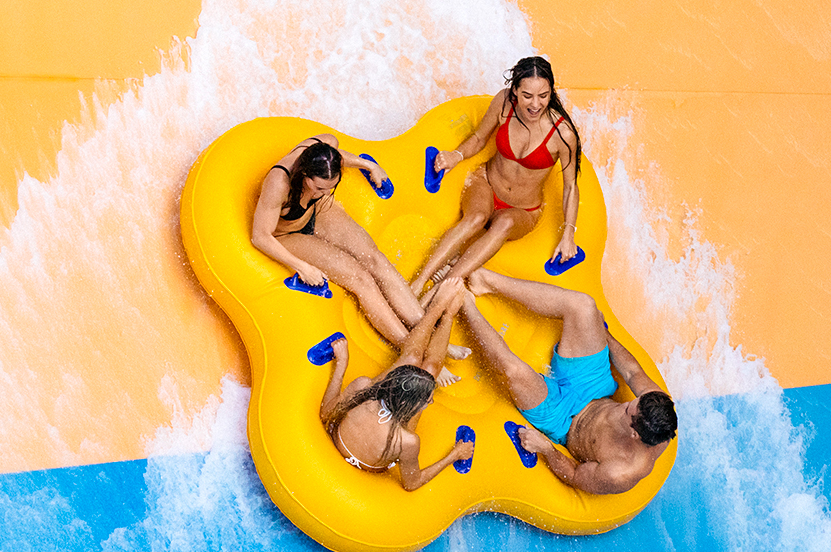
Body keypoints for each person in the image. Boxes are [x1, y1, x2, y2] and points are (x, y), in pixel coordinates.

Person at [250, 133, 468, 383]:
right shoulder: (280, 182)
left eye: (330, 186)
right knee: (360, 278)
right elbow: (261, 236)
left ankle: (427, 332)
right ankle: (414, 349)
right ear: (305, 174)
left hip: (317, 213)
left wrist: (369, 165)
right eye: (319, 187)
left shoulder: (322, 150)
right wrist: (302, 267)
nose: (324, 191)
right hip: (288, 233)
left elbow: (337, 157)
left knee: (376, 259)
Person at [458, 268, 676, 495]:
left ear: (634, 434)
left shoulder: (620, 471)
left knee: (515, 372)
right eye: (633, 401)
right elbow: (632, 372)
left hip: (564, 421)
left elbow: (574, 475)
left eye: (626, 412)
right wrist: (604, 336)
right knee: (583, 305)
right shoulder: (656, 403)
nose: (624, 405)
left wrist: (547, 449)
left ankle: (464, 303)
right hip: (594, 388)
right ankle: (486, 282)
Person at [411, 56, 583, 292]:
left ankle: (441, 288)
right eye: (527, 95)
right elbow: (480, 138)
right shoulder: (504, 103)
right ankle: (418, 281)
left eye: (543, 96)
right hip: (487, 183)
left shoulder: (563, 134)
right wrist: (456, 155)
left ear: (551, 91)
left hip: (523, 209)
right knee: (475, 219)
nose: (535, 104)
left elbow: (571, 187)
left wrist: (568, 234)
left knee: (504, 222)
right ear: (515, 90)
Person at [318, 279, 474, 491]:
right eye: (427, 400)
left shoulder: (363, 388)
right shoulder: (407, 441)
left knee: (411, 359)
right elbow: (412, 484)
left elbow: (326, 414)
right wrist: (455, 455)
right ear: (412, 406)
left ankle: (438, 307)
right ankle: (447, 316)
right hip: (374, 461)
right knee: (430, 370)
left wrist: (341, 365)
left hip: (353, 429)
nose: (430, 402)